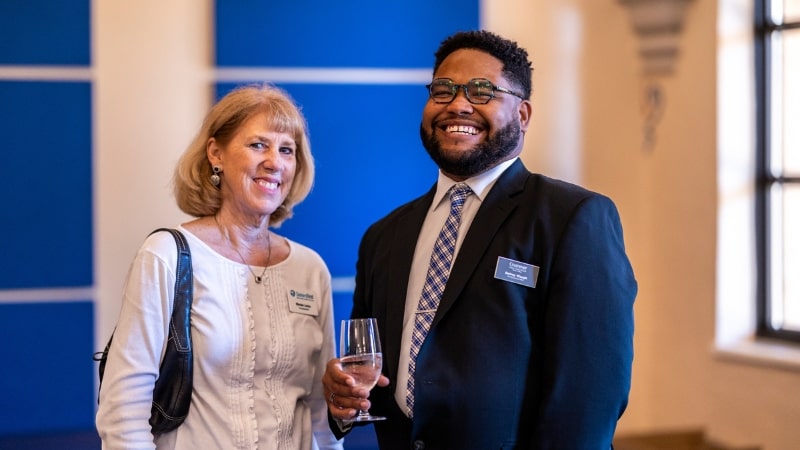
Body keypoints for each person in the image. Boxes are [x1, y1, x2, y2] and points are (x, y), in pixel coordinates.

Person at [322, 30, 637, 449]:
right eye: (443, 89)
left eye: (482, 91)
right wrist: (342, 396)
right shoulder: (384, 236)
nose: (458, 104)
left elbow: (591, 393)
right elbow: (372, 373)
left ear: (523, 114)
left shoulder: (572, 217)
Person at [96, 84, 343, 450]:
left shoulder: (309, 268)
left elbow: (320, 413)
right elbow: (123, 410)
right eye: (259, 145)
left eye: (286, 150)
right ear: (216, 154)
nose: (275, 162)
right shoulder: (166, 256)